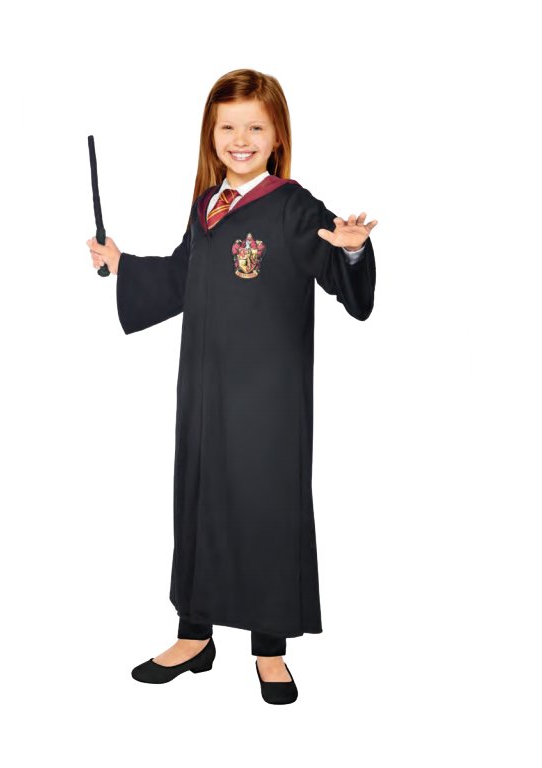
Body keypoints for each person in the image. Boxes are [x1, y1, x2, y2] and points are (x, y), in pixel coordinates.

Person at [86, 69, 377, 705]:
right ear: (210, 134)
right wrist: (121, 263)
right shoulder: (207, 206)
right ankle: (195, 636)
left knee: (267, 507)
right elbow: (183, 277)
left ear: (277, 136)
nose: (240, 139)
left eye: (255, 127)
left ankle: (270, 648)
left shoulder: (293, 204)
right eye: (228, 127)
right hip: (205, 387)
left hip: (269, 397)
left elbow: (345, 282)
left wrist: (352, 252)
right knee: (200, 501)